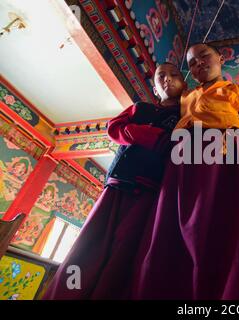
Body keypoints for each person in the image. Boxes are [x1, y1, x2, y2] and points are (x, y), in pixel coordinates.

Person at [131, 43, 239, 300]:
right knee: (179, 222)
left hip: (225, 151)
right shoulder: (185, 97)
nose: (199, 63)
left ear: (221, 58)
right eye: (192, 63)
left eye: (204, 56)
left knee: (225, 221)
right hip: (184, 156)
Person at [42, 62, 186, 299]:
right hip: (117, 184)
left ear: (185, 84)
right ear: (155, 86)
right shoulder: (140, 109)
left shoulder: (185, 117)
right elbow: (114, 128)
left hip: (151, 194)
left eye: (174, 75)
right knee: (88, 246)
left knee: (125, 253)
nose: (168, 79)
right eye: (161, 76)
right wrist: (155, 137)